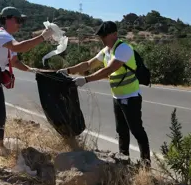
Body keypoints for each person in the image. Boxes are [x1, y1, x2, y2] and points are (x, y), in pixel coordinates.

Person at [0, 6, 54, 167]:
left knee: (0, 113)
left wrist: (33, 70)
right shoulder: (0, 34)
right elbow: (19, 47)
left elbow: (15, 61)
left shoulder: (7, 39)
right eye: (18, 20)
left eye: (22, 21)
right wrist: (42, 37)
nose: (20, 24)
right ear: (7, 19)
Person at [57, 21, 151, 166]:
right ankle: (123, 161)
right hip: (117, 97)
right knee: (121, 131)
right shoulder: (106, 51)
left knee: (137, 130)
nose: (102, 39)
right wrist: (67, 70)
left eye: (104, 36)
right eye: (101, 36)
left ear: (114, 34)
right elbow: (89, 64)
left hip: (131, 97)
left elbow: (108, 70)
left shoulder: (123, 49)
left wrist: (86, 79)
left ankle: (146, 164)